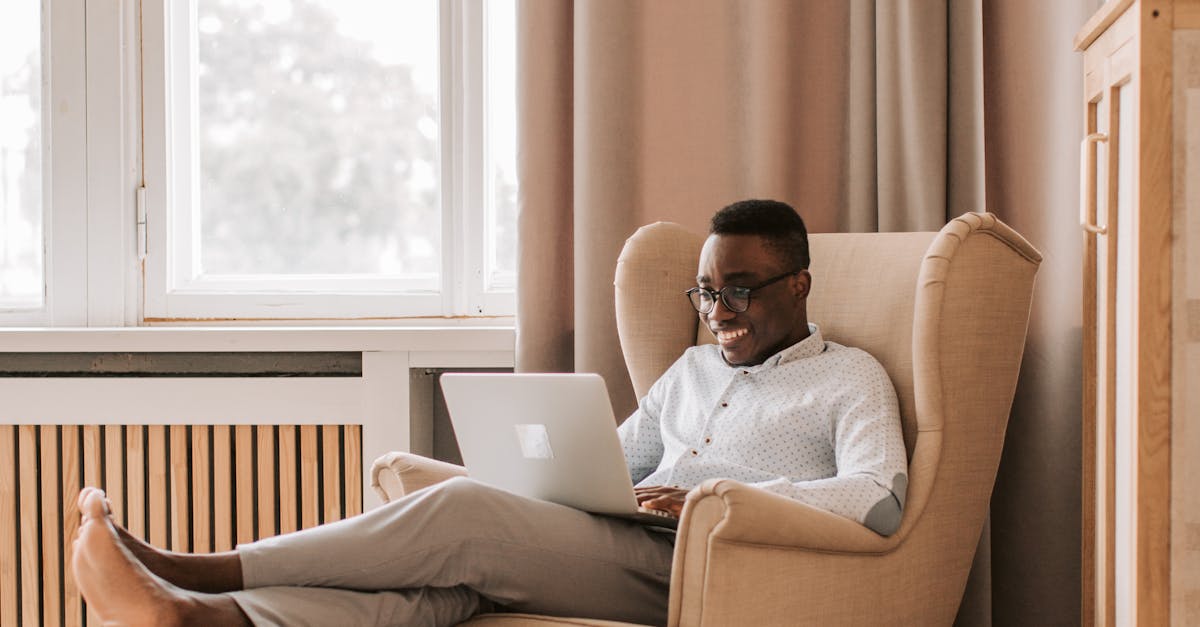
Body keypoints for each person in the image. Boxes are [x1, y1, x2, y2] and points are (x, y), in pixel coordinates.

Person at [71, 199, 908, 627]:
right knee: (434, 595)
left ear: (798, 283)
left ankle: (208, 568)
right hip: (625, 536)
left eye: (740, 289)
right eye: (706, 292)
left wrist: (727, 497)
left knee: (465, 517)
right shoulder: (687, 371)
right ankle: (200, 617)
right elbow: (613, 458)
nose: (718, 310)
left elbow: (879, 497)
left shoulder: (848, 379)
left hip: (709, 565)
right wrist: (564, 477)